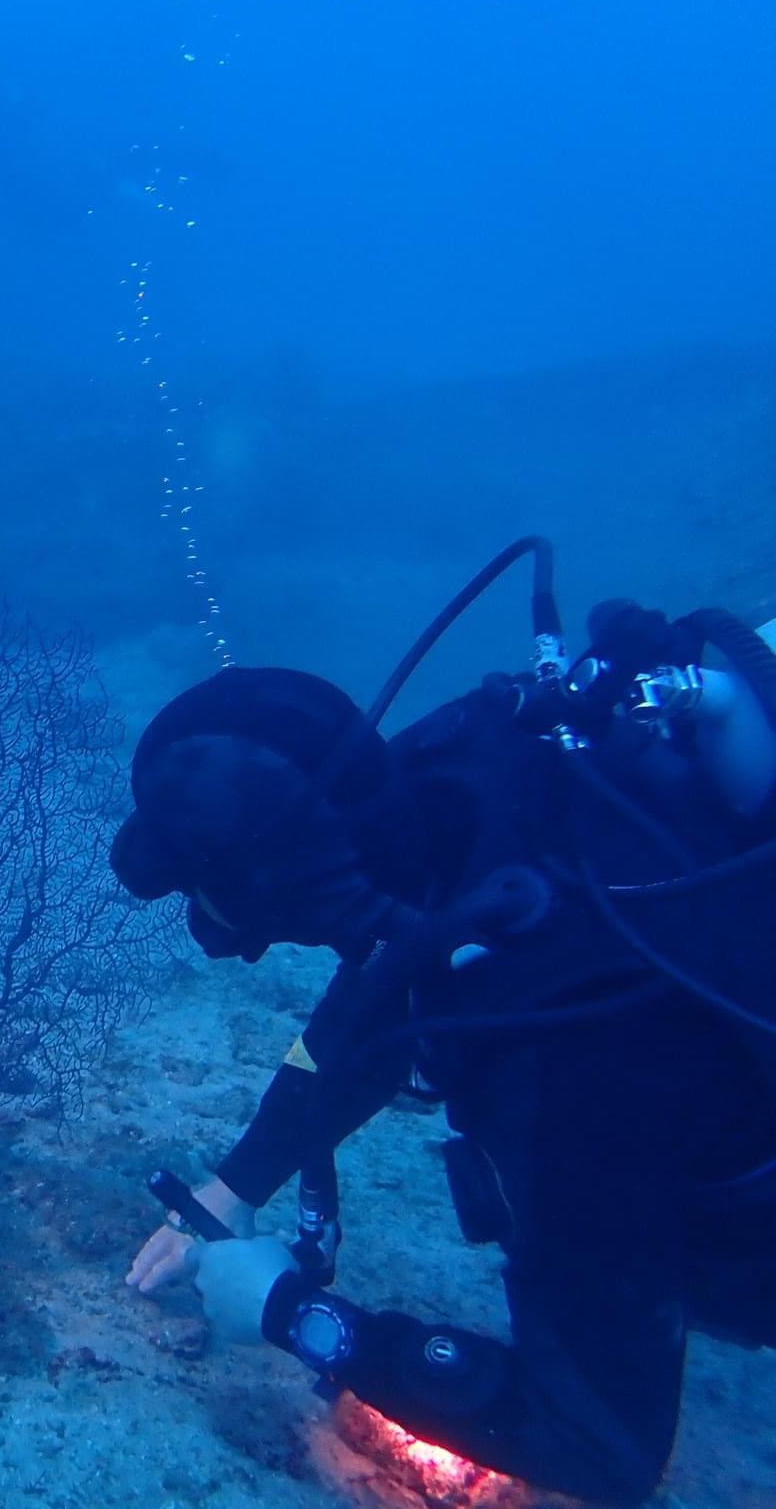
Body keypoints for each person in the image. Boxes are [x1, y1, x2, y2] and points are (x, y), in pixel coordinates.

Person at [109, 564, 776, 1506]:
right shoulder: (454, 782)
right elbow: (388, 979)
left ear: (275, 890)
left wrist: (293, 1313)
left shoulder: (571, 1040)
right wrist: (237, 1183)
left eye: (206, 898)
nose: (224, 943)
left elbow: (603, 1444)